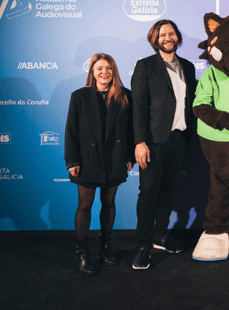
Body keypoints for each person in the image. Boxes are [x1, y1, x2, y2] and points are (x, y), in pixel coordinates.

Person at [131, 19, 197, 269]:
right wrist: (139, 142)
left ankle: (160, 235)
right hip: (152, 143)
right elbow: (138, 107)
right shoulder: (145, 66)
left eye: (171, 33)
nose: (167, 37)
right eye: (162, 34)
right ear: (155, 39)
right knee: (148, 193)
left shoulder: (188, 67)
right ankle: (143, 246)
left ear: (177, 37)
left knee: (169, 191)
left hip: (179, 139)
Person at [64, 53, 134, 275]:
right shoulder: (79, 96)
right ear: (92, 72)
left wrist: (129, 156)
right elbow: (71, 131)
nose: (105, 72)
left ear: (114, 71)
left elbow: (131, 130)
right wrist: (72, 160)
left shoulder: (125, 96)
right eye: (99, 68)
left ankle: (104, 248)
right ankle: (82, 252)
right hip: (87, 160)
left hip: (114, 158)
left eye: (109, 68)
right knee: (85, 205)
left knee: (109, 202)